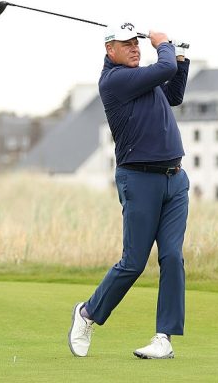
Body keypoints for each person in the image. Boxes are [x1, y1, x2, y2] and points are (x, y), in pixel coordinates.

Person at [68, 21, 190, 359]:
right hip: (139, 180)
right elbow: (163, 68)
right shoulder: (115, 81)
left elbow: (174, 94)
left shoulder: (139, 79)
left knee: (172, 257)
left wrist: (180, 58)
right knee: (134, 262)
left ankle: (163, 338)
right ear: (110, 50)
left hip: (175, 178)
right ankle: (87, 314)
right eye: (127, 44)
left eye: (137, 43)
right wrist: (163, 45)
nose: (135, 48)